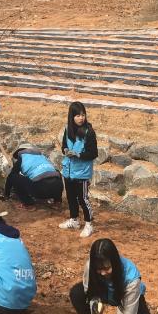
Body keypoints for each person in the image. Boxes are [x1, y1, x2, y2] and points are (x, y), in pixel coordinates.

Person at [69, 239, 153, 314]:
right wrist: (95, 306)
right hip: (105, 292)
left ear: (114, 262)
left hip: (124, 295)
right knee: (77, 293)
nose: (103, 273)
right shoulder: (90, 266)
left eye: (107, 268)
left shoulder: (131, 277)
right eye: (99, 269)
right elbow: (89, 291)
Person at [58, 101, 98, 237]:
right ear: (72, 117)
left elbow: (93, 153)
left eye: (83, 115)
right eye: (78, 116)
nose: (81, 118)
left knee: (83, 199)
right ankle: (74, 220)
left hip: (82, 172)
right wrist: (66, 150)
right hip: (68, 170)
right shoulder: (67, 129)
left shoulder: (89, 132)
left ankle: (89, 224)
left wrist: (78, 154)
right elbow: (64, 145)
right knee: (70, 197)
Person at [5, 143, 63, 208]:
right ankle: (57, 201)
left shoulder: (22, 157)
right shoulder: (42, 157)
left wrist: (6, 194)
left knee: (13, 176)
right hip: (58, 188)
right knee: (55, 172)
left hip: (40, 191)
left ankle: (28, 204)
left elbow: (11, 176)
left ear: (21, 152)